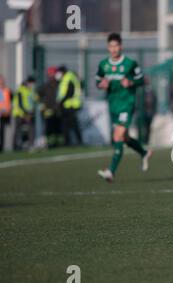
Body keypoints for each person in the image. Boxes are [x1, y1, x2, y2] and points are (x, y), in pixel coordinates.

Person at [96, 32, 153, 182]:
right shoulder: (104, 65)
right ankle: (143, 152)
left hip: (127, 104)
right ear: (108, 48)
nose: (114, 49)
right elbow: (98, 81)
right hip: (113, 105)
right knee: (125, 138)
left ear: (121, 46)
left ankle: (110, 171)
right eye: (111, 46)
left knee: (118, 136)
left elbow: (142, 80)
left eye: (116, 46)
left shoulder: (130, 64)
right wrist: (102, 85)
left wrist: (131, 83)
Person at [56, 65, 83, 146]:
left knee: (72, 124)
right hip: (67, 105)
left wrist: (61, 101)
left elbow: (69, 92)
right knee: (67, 124)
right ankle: (68, 141)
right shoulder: (66, 78)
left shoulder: (68, 78)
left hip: (71, 104)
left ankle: (77, 141)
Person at [39, 66, 62, 148]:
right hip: (48, 111)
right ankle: (50, 144)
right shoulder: (45, 85)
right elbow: (38, 95)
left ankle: (58, 143)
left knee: (58, 128)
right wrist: (42, 105)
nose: (51, 75)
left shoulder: (59, 84)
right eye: (50, 74)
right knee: (49, 128)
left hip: (57, 110)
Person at [12, 76, 38, 151]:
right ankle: (15, 146)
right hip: (19, 113)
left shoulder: (30, 90)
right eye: (32, 83)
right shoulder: (20, 90)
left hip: (27, 113)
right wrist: (26, 112)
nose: (32, 85)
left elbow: (32, 101)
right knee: (18, 130)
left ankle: (31, 145)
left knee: (31, 128)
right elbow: (20, 103)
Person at [0, 75, 12, 152]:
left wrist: (9, 110)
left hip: (5, 114)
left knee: (3, 131)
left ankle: (2, 147)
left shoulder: (7, 90)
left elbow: (10, 101)